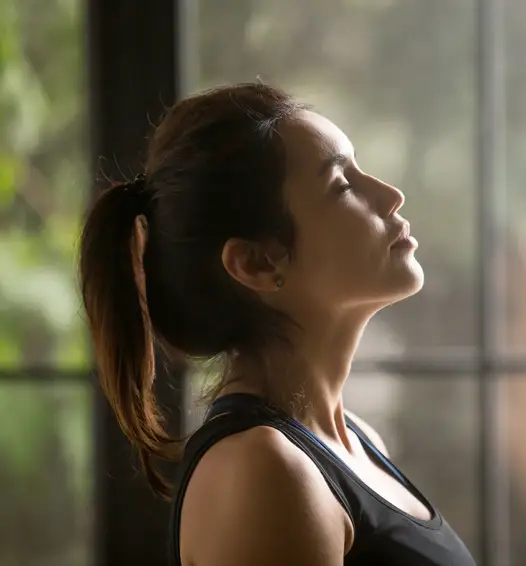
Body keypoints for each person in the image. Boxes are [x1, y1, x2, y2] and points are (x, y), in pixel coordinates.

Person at [78, 83, 477, 566]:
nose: (391, 195)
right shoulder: (264, 470)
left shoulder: (357, 442)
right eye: (343, 185)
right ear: (259, 263)